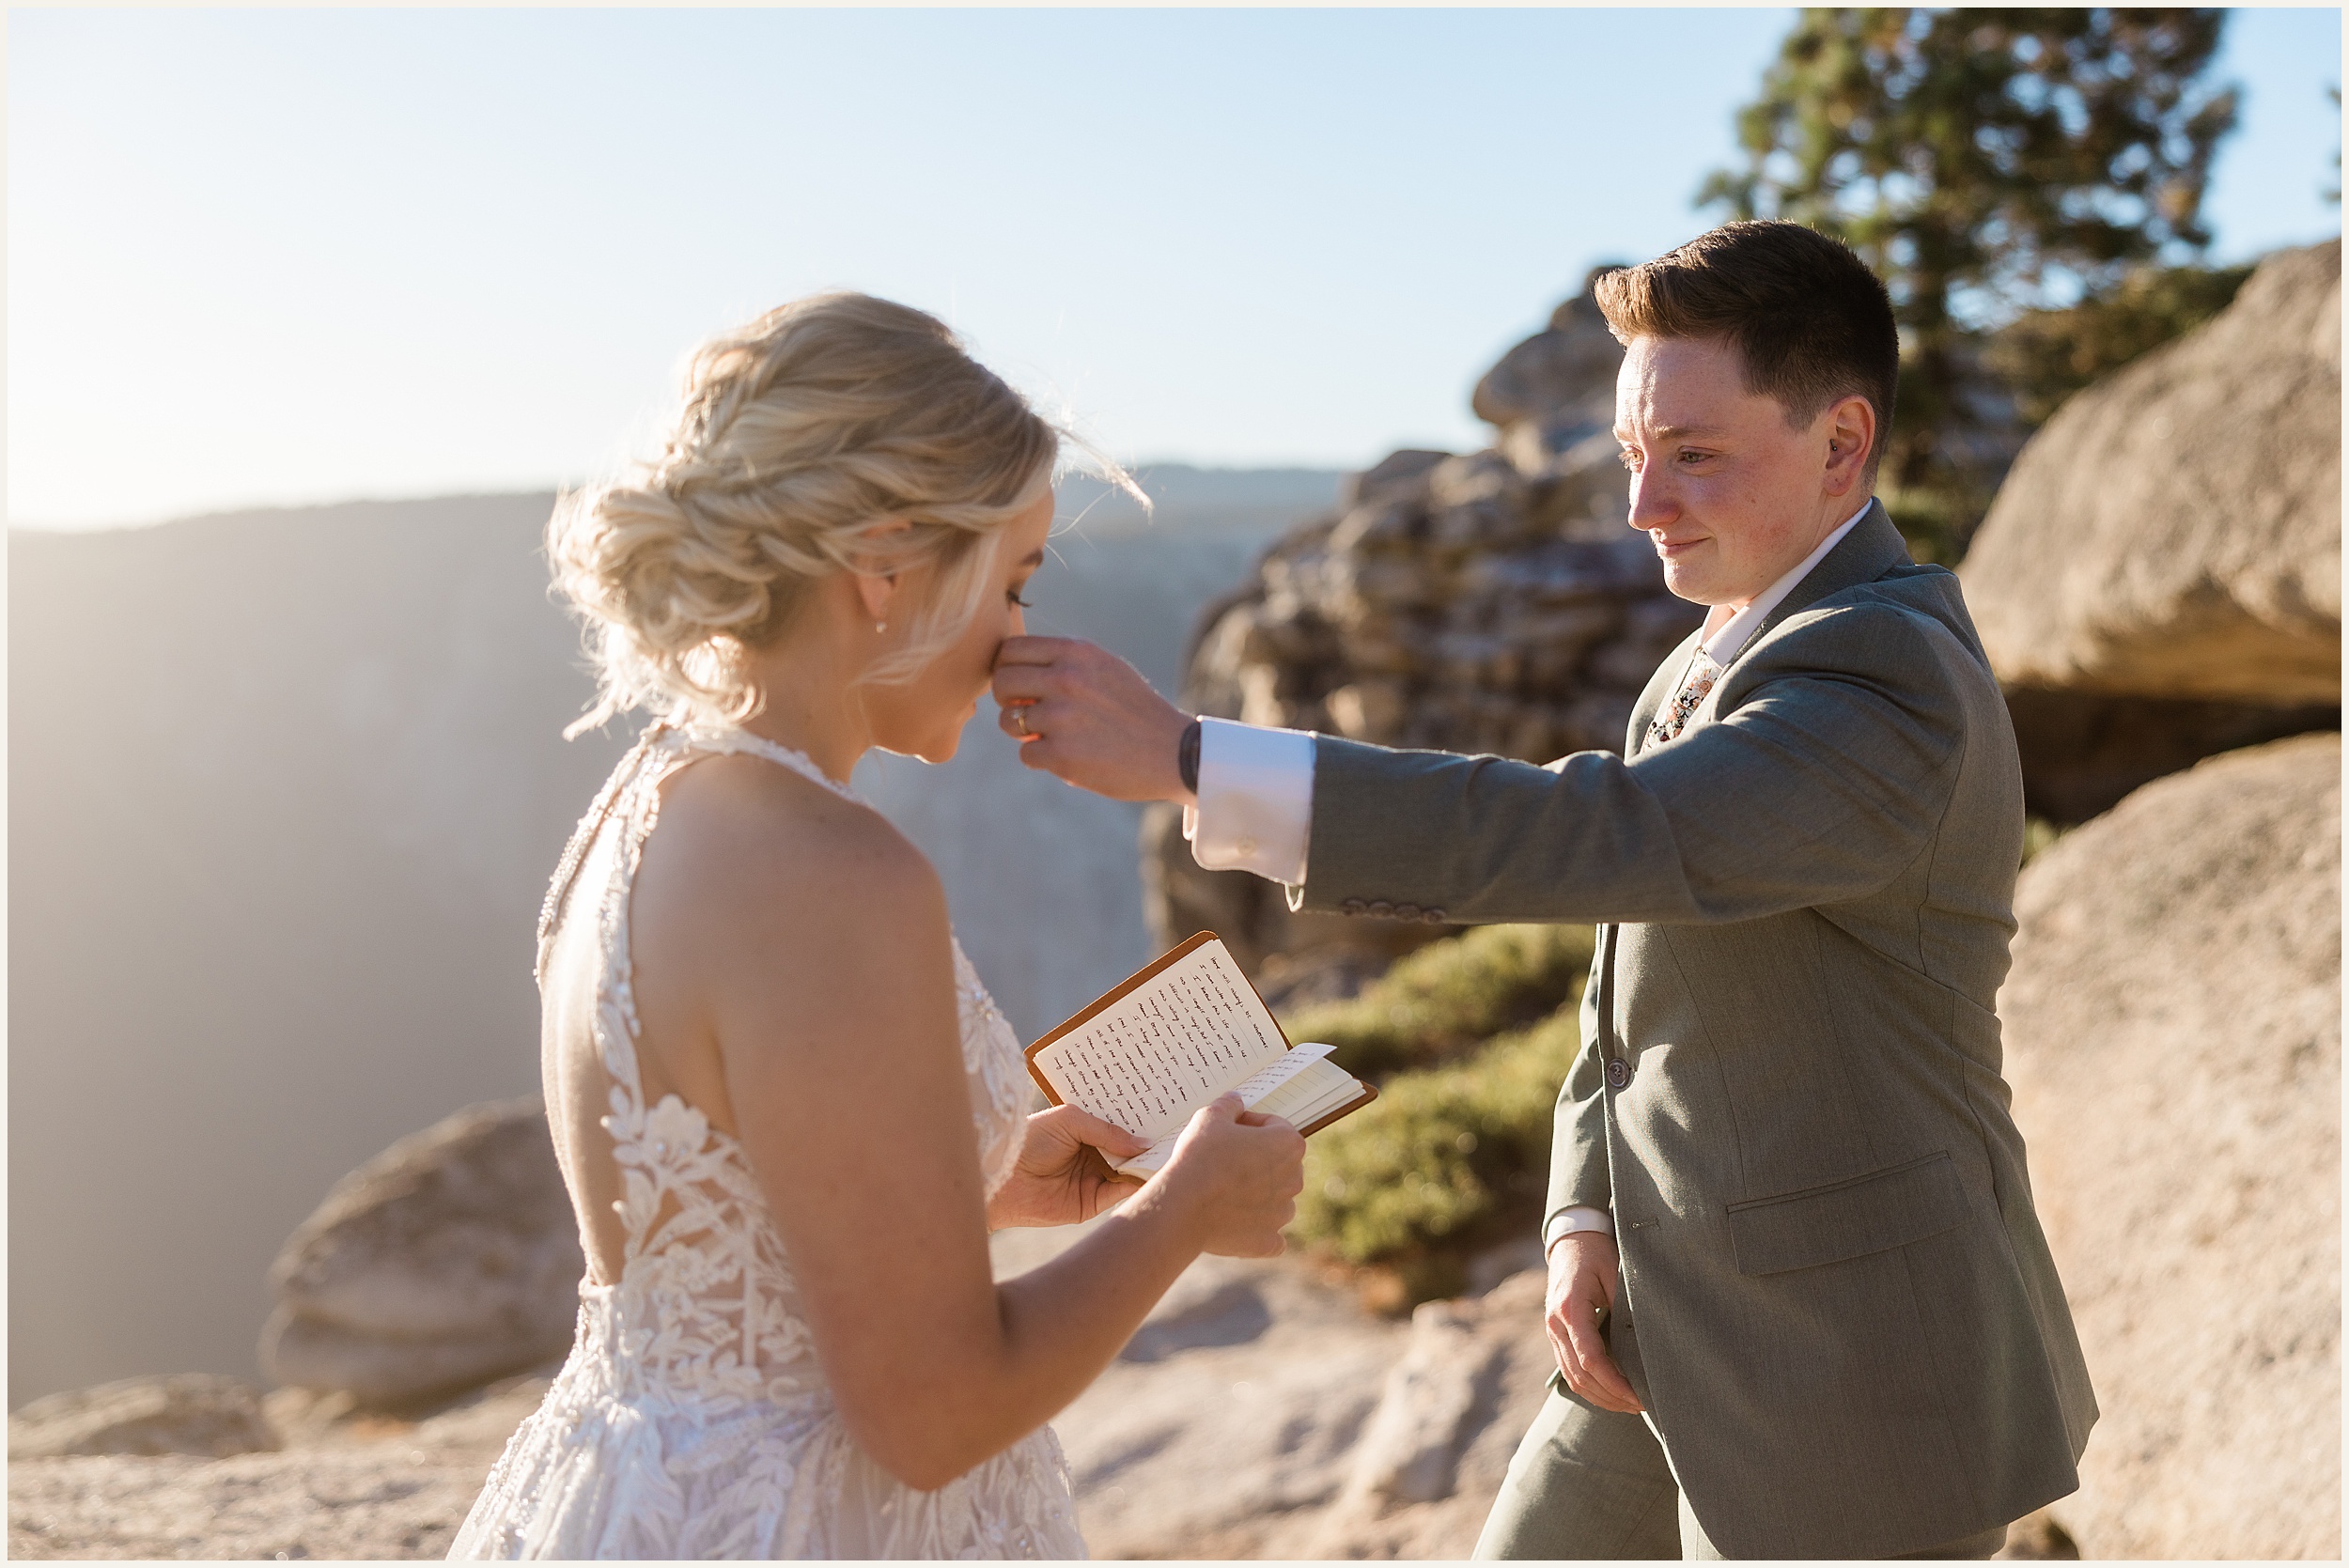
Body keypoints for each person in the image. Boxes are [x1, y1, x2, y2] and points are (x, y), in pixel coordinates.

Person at [988, 221, 2096, 1560]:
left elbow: (1600, 835)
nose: (1646, 505)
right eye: (1638, 455)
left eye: (1693, 454)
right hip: (1651, 1321)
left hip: (1845, 1359)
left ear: (1842, 443)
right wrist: (1583, 1209)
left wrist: (1190, 757)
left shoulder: (1884, 679)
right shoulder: (1712, 655)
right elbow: (1625, 976)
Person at [449, 293, 1306, 1560]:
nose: (1020, 636)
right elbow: (931, 1415)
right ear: (889, 563)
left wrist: (993, 1178)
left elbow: (736, 1221)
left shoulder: (645, 805)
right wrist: (1181, 1211)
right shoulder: (833, 872)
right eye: (1011, 583)